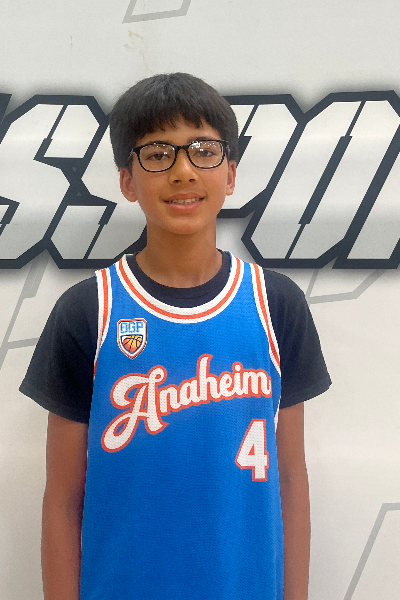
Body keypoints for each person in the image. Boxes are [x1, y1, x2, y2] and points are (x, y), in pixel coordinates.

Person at [20, 72, 331, 600]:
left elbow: (291, 483)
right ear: (127, 181)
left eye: (204, 151)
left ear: (230, 174)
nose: (183, 171)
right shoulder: (87, 311)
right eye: (158, 154)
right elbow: (63, 500)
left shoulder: (276, 305)